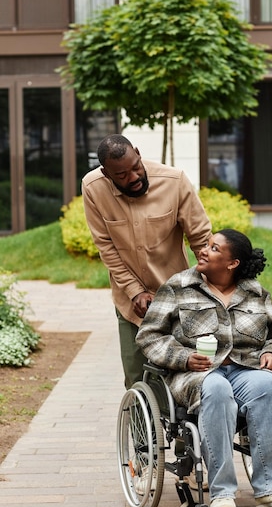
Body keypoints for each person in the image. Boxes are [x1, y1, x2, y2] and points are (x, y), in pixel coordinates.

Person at [136, 228, 272, 507]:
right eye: (207, 245)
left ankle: (271, 489)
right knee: (217, 388)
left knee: (270, 386)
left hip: (245, 369)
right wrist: (184, 357)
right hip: (194, 374)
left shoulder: (255, 293)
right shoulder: (178, 287)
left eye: (213, 248)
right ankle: (222, 492)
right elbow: (149, 336)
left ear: (232, 263)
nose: (203, 250)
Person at [82, 134, 211, 390]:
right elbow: (106, 247)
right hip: (132, 306)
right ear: (106, 174)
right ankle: (145, 430)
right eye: (121, 175)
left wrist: (216, 287)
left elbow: (201, 240)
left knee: (185, 374)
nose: (133, 177)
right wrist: (135, 291)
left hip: (178, 297)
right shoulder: (93, 188)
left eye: (135, 167)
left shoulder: (174, 181)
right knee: (137, 379)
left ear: (138, 154)